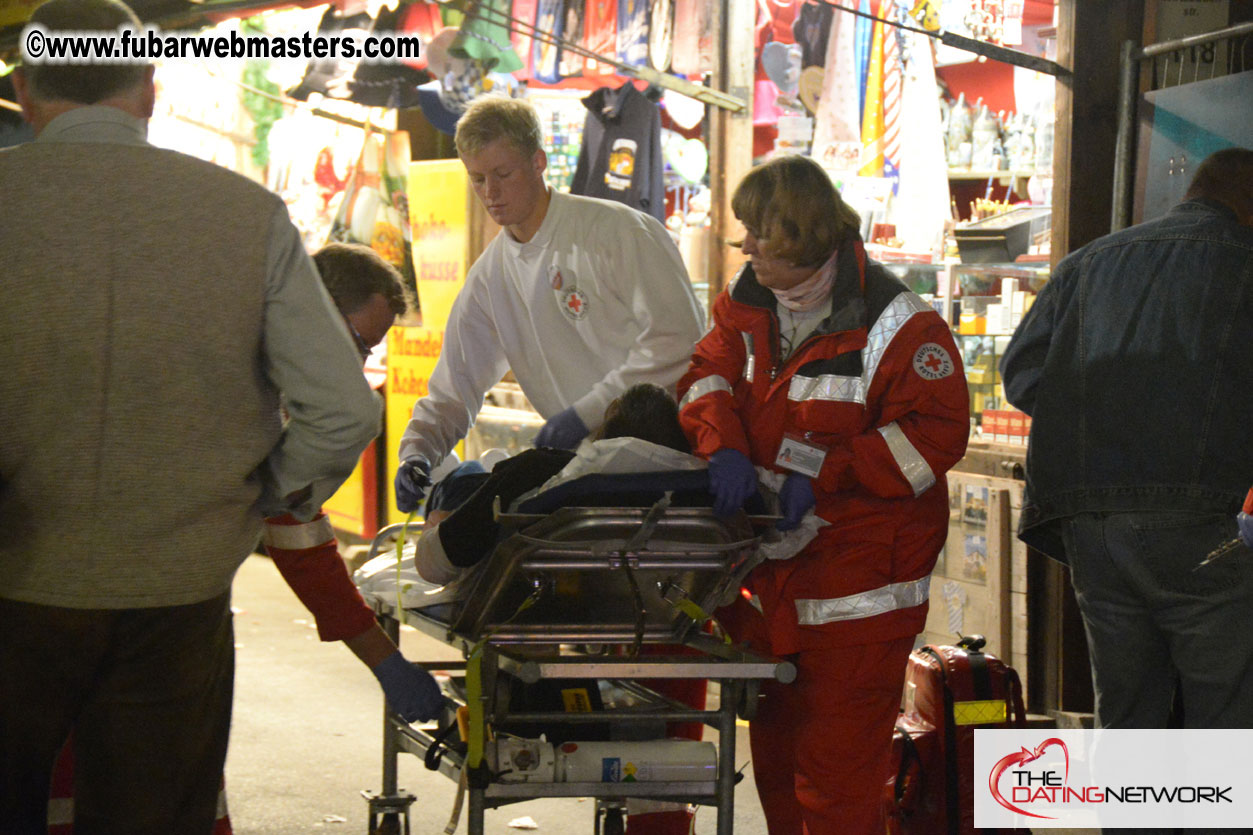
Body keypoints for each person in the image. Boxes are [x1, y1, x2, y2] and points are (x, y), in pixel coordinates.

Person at [0, 1, 381, 831]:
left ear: (24, 89)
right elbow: (344, 409)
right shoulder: (245, 213)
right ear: (148, 87)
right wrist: (260, 495)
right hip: (177, 593)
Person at [677, 155, 970, 835]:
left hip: (858, 594)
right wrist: (721, 444)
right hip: (772, 584)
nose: (744, 245)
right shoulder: (749, 301)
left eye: (759, 232)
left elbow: (935, 434)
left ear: (802, 236)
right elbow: (705, 374)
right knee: (779, 772)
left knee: (836, 786)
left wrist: (830, 471)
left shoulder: (900, 326)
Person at [1000, 147, 1253, 730]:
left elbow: (1023, 374)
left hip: (1091, 523)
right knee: (1225, 714)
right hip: (1208, 522)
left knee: (1127, 712)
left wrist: (1109, 420)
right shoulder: (1245, 262)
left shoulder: (1088, 262)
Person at [392, 96, 705, 512]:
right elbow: (455, 385)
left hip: (666, 460)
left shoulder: (620, 231)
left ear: (538, 161)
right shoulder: (490, 278)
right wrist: (417, 451)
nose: (491, 192)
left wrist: (586, 413)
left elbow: (679, 340)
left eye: (503, 174)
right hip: (582, 474)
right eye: (478, 178)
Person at [263, 243, 443, 723]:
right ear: (316, 313)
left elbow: (298, 534)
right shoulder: (243, 391)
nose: (360, 366)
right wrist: (385, 661)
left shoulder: (275, 393)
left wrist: (384, 662)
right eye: (359, 345)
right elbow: (292, 526)